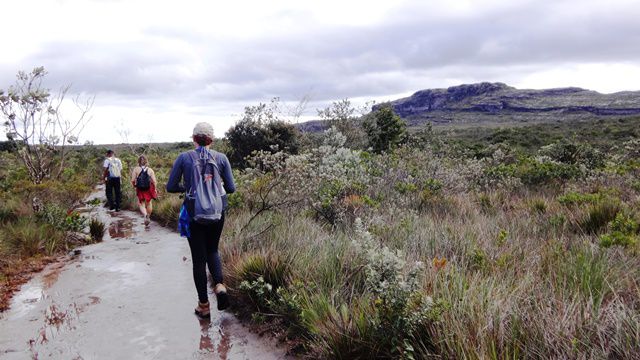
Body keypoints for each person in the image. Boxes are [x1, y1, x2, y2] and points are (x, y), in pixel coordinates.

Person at [166, 122, 236, 318]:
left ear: (193, 139)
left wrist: (187, 188)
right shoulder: (221, 158)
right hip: (217, 212)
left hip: (193, 213)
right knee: (213, 250)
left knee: (199, 259)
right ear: (211, 140)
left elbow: (170, 186)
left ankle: (204, 306)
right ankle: (220, 286)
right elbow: (231, 188)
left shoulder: (184, 158)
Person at [131, 155, 157, 226]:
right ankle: (148, 215)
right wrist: (155, 189)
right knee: (149, 203)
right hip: (149, 188)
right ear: (146, 161)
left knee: (141, 203)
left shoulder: (136, 169)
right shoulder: (150, 170)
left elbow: (133, 180)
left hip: (140, 188)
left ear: (138, 161)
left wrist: (134, 186)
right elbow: (154, 181)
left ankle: (145, 215)